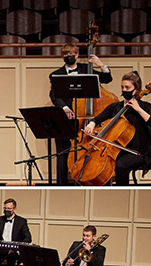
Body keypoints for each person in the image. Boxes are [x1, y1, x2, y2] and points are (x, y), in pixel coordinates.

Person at [48, 43, 113, 185]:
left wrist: (101, 64)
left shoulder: (87, 69)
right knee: (62, 154)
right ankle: (61, 187)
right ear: (62, 57)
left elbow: (107, 79)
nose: (69, 57)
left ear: (77, 55)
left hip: (86, 120)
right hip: (66, 119)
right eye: (66, 55)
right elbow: (54, 95)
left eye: (71, 54)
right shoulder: (55, 74)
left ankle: (86, 181)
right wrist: (65, 107)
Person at [84, 71, 151, 185]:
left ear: (136, 90)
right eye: (122, 87)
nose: (124, 90)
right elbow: (99, 118)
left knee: (121, 165)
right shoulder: (116, 106)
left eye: (127, 87)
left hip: (139, 152)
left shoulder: (145, 106)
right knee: (103, 164)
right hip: (119, 150)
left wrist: (138, 109)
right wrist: (91, 124)